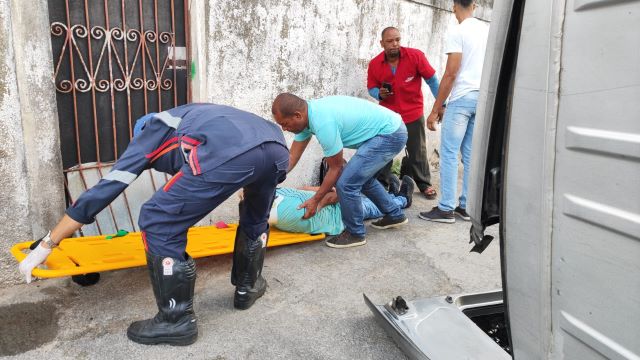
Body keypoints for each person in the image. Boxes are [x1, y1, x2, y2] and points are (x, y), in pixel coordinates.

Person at [17, 103, 289, 346]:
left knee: (157, 219)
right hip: (276, 149)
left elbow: (108, 186)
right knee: (255, 216)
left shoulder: (152, 130)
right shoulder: (193, 115)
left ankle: (175, 321)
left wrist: (47, 244)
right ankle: (248, 287)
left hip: (230, 154)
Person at [271, 93, 408, 249]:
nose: (284, 129)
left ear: (297, 115)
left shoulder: (323, 123)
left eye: (285, 124)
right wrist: (271, 180)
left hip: (390, 134)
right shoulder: (307, 116)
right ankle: (394, 214)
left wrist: (315, 200)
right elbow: (291, 158)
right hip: (390, 130)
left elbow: (336, 168)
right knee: (362, 180)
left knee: (346, 183)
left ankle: (355, 233)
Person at [420, 0, 488, 223]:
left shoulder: (457, 31)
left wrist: (436, 108)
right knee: (469, 154)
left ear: (453, 6)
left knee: (449, 153)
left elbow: (450, 73)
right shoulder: (487, 30)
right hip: (484, 98)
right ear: (475, 5)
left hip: (462, 98)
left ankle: (446, 208)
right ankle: (467, 206)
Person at [367, 26, 440, 199]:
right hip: (389, 116)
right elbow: (371, 87)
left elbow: (432, 80)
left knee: (417, 151)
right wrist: (379, 94)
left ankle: (424, 184)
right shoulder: (375, 64)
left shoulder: (415, 56)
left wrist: (441, 104)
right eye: (390, 41)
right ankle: (382, 183)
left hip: (413, 113)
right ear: (382, 43)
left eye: (397, 40)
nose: (395, 44)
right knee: (385, 151)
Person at [270, 175, 415, 238]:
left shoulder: (273, 196)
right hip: (338, 217)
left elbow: (302, 189)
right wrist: (335, 190)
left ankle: (391, 196)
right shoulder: (284, 210)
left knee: (364, 199)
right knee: (369, 205)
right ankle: (402, 200)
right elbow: (330, 199)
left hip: (333, 206)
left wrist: (326, 190)